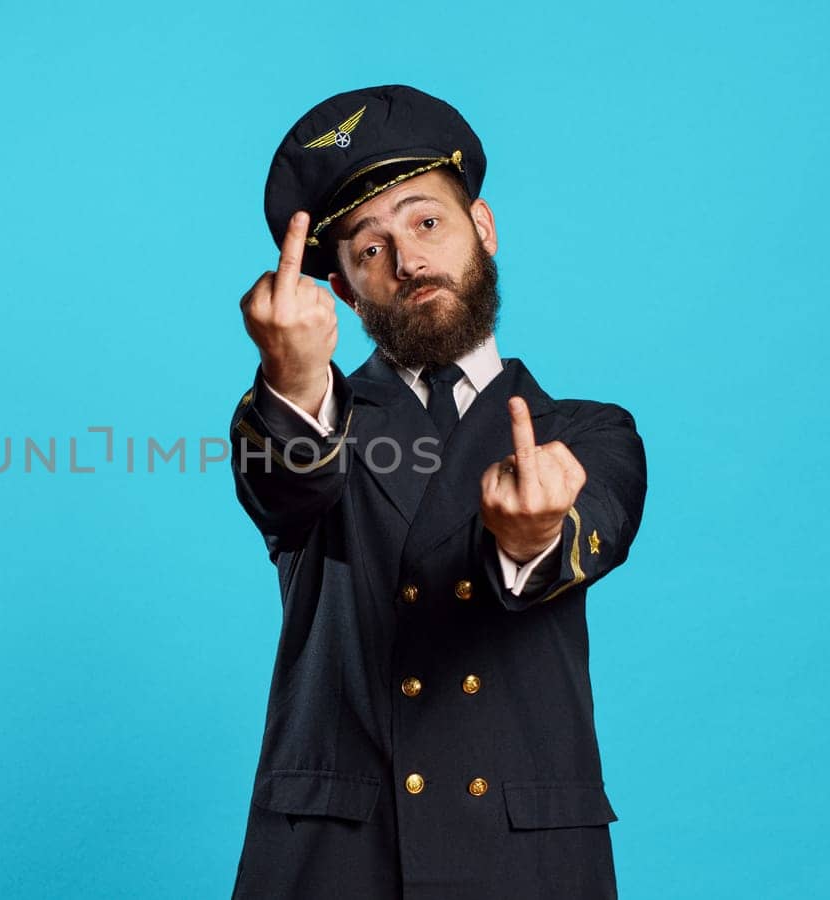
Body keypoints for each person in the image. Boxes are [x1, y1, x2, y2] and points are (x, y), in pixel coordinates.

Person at [227, 84, 649, 899]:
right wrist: (292, 374)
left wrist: (530, 541)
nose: (411, 261)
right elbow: (284, 488)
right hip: (339, 863)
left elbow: (587, 530)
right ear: (343, 291)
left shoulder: (590, 432)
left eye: (427, 222)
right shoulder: (308, 417)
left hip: (524, 863)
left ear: (481, 229)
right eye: (370, 247)